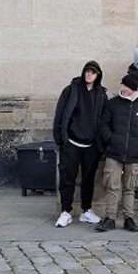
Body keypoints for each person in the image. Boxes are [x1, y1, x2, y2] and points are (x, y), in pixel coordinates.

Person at [95, 72, 138, 233]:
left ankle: (129, 218)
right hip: (114, 152)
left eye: (126, 86)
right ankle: (110, 218)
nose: (123, 88)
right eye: (122, 85)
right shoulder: (113, 103)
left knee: (130, 188)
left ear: (134, 88)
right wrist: (111, 140)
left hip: (135, 153)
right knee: (112, 187)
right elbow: (104, 125)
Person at [52, 60, 107, 228]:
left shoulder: (101, 94)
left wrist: (101, 143)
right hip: (71, 142)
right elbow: (60, 114)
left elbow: (104, 119)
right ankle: (66, 211)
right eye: (87, 71)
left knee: (88, 179)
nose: (89, 74)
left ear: (98, 76)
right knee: (67, 178)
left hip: (91, 145)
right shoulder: (71, 90)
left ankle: (86, 210)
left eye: (93, 72)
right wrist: (60, 138)